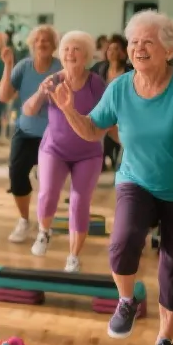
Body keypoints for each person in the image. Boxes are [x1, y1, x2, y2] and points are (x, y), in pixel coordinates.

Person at [52, 11, 173, 345]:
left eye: (147, 42)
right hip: (136, 181)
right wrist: (69, 111)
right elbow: (93, 130)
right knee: (124, 240)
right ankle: (126, 301)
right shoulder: (120, 88)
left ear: (168, 50)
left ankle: (165, 339)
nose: (138, 48)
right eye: (134, 42)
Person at [27, 31, 108, 272]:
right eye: (66, 49)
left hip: (88, 152)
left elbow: (106, 117)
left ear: (86, 56)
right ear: (60, 55)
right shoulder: (53, 81)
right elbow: (29, 110)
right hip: (55, 149)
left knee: (79, 201)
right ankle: (44, 232)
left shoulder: (95, 83)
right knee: (47, 193)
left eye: (76, 49)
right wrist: (41, 92)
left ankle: (73, 256)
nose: (70, 53)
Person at [0, 26, 61, 244]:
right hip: (25, 131)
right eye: (38, 40)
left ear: (54, 45)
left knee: (48, 183)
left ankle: (45, 227)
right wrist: (7, 66)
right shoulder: (24, 67)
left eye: (47, 40)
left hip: (52, 135)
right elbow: (4, 96)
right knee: (16, 175)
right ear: (32, 44)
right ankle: (24, 220)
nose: (42, 43)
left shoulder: (60, 69)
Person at [92, 34, 132, 171]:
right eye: (110, 49)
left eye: (116, 49)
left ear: (123, 52)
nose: (112, 52)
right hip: (104, 112)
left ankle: (117, 162)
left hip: (124, 114)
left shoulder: (130, 71)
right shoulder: (99, 68)